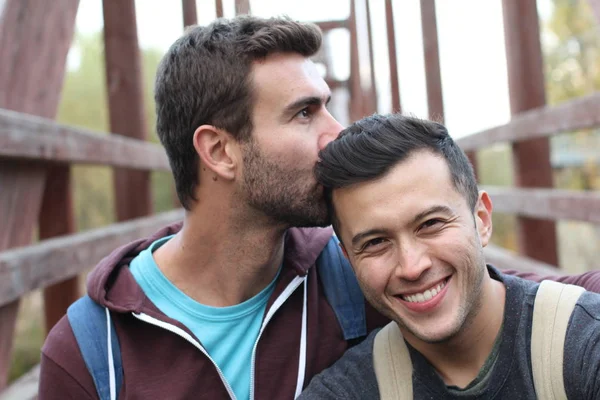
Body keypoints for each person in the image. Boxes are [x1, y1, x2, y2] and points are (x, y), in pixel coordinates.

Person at [38, 15, 600, 400]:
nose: (337, 133)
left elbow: (517, 302)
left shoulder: (358, 270)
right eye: (305, 113)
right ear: (218, 150)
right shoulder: (92, 353)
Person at [299, 113, 600, 399]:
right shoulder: (348, 389)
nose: (412, 266)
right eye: (377, 242)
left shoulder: (584, 342)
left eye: (430, 224)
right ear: (350, 259)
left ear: (481, 219)